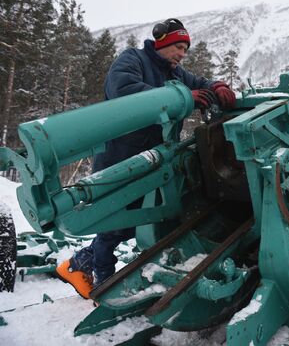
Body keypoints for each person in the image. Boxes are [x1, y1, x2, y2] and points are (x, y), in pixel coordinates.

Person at [56, 18, 236, 299]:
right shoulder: (133, 59)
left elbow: (199, 83)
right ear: (162, 43)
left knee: (138, 221)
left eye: (185, 50)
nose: (181, 54)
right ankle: (102, 280)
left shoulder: (173, 71)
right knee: (117, 219)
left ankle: (82, 263)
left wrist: (218, 85)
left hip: (151, 160)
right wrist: (182, 96)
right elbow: (123, 90)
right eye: (178, 47)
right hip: (121, 156)